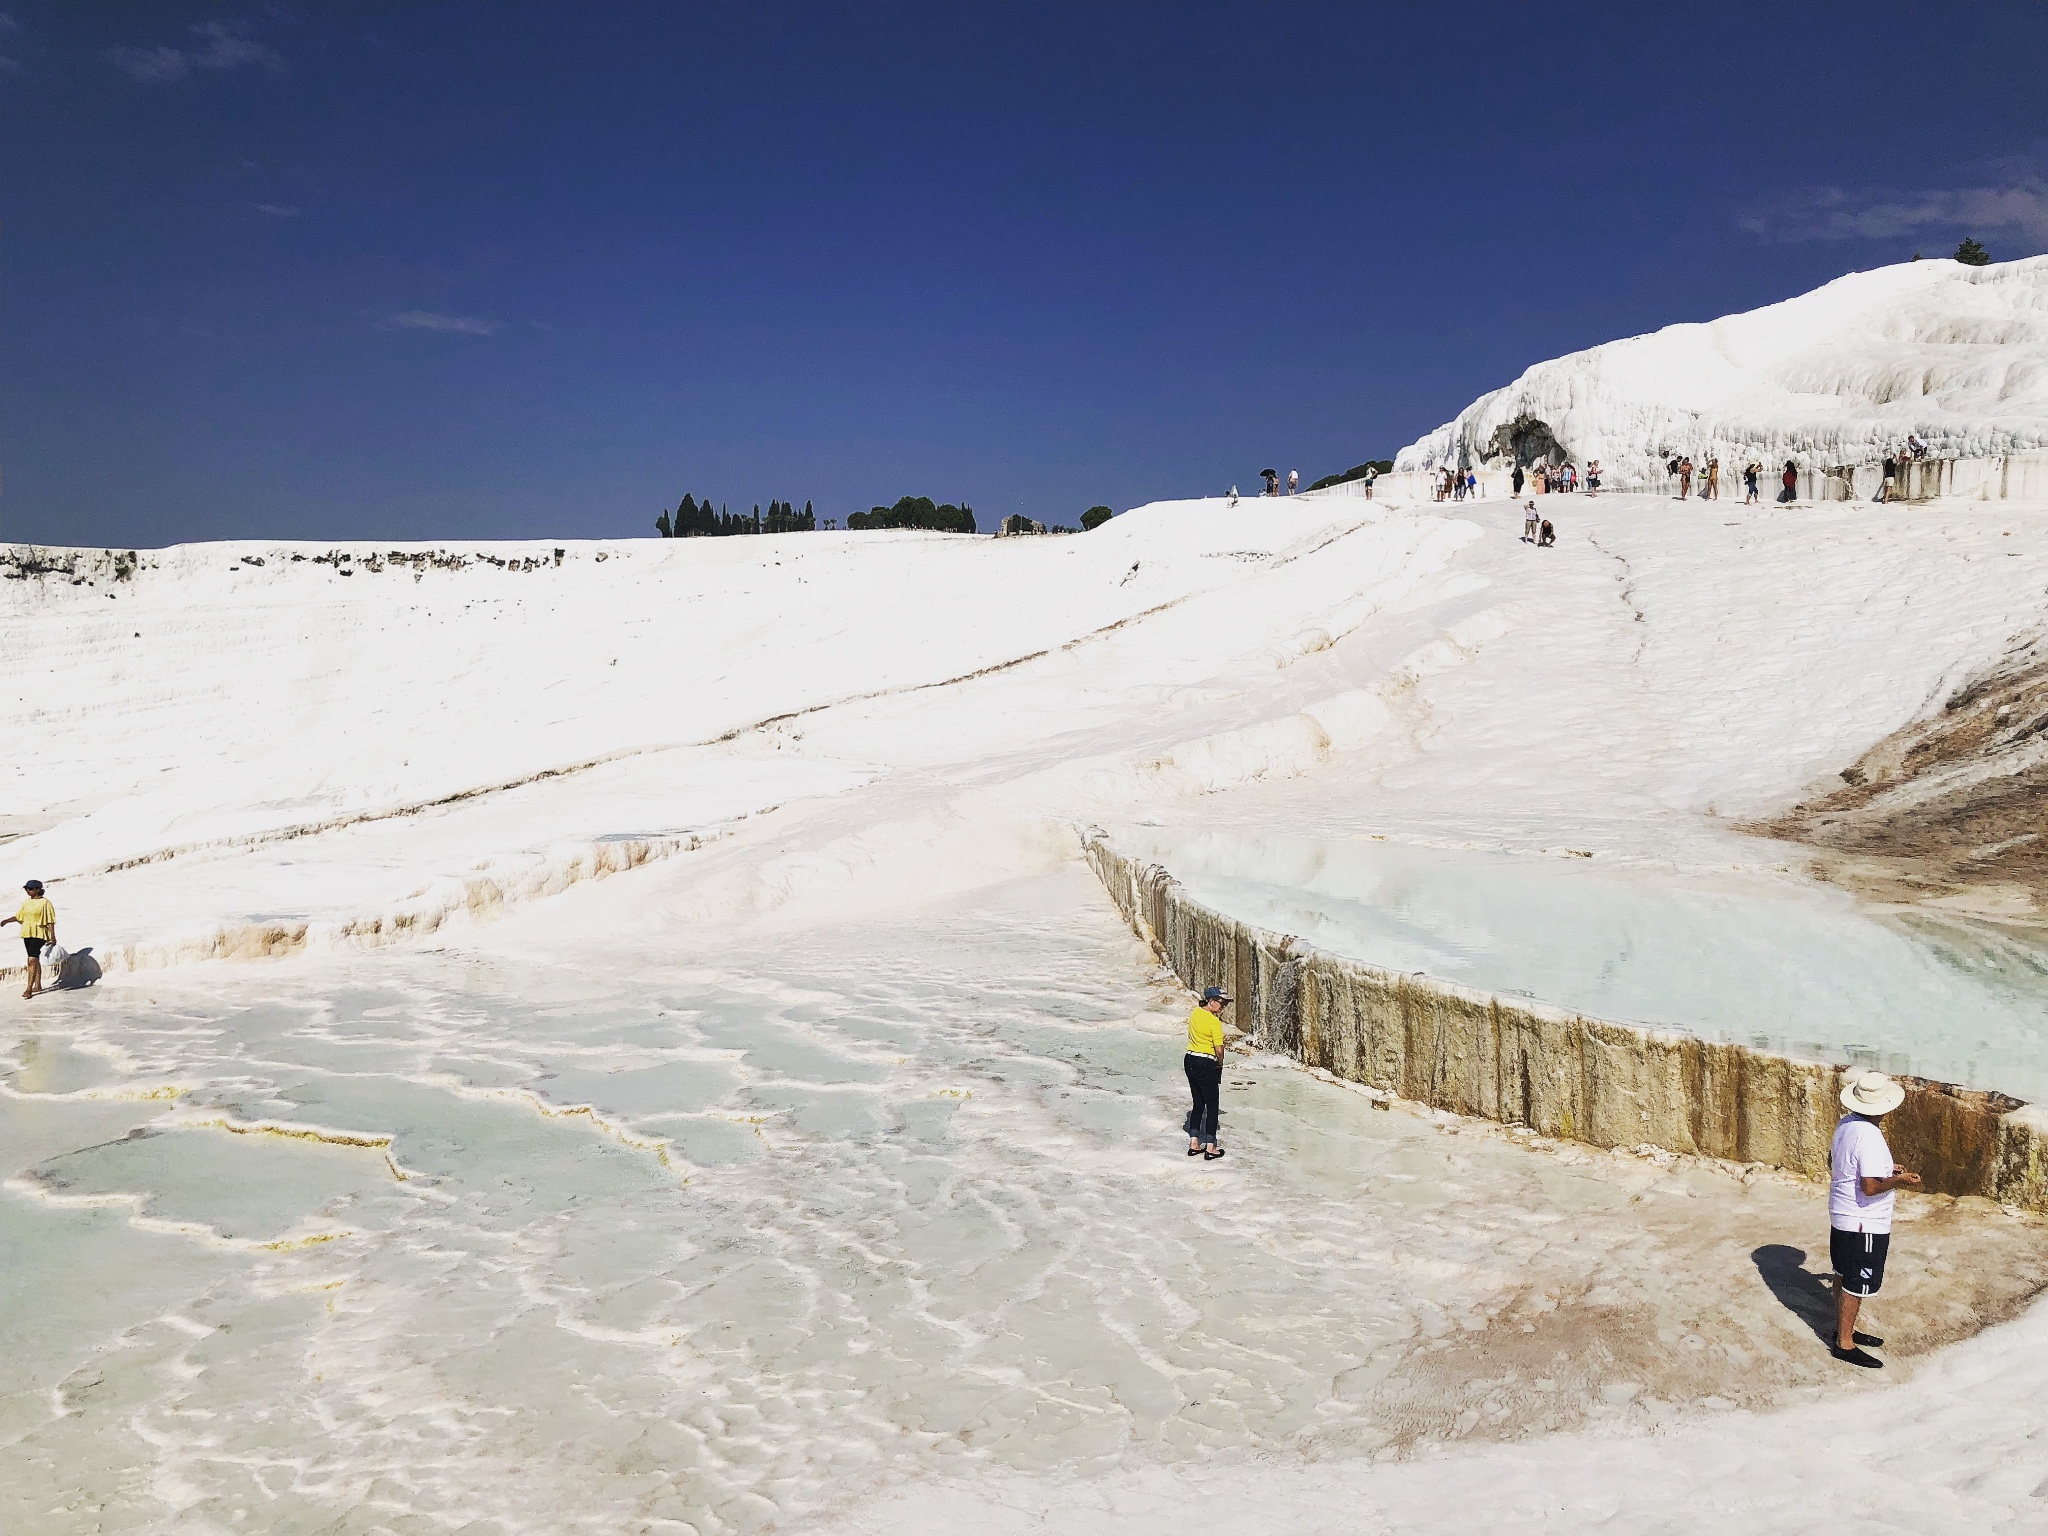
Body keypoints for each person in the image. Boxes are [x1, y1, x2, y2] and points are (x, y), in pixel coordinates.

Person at [1829, 1071, 1921, 1368]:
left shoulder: (1846, 1125)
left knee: (1843, 1273)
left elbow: (1837, 1162)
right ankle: (1844, 1344)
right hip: (1863, 1222)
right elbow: (1869, 1188)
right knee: (1857, 1283)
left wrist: (1885, 1167)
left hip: (1842, 1214)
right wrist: (1901, 1180)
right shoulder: (1870, 1135)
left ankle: (1845, 1330)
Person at [1184, 984, 1230, 1160]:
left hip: (1190, 1059)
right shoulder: (1214, 1022)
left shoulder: (1195, 1013)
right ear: (1211, 1001)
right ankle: (1211, 1147)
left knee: (1197, 1103)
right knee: (1212, 1106)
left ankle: (1194, 1144)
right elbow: (1219, 1049)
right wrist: (1219, 1064)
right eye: (1221, 1003)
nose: (1223, 1007)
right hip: (1205, 1062)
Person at [4, 879, 56, 999]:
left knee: (31, 959)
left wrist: (53, 936)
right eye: (27, 888)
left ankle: (29, 989)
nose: (28, 891)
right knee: (34, 958)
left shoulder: (45, 903)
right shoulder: (26, 903)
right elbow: (19, 916)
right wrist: (6, 921)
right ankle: (37, 985)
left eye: (31, 889)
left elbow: (50, 920)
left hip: (40, 933)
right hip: (27, 933)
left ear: (38, 889)